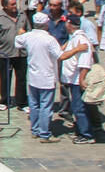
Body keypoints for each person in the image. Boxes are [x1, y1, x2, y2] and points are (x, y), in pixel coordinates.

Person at [16, 12, 63, 141]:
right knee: (46, 107)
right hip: (46, 77)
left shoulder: (29, 37)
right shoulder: (49, 40)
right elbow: (61, 56)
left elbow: (17, 42)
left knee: (34, 105)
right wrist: (75, 49)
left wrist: (22, 33)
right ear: (46, 25)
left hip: (33, 76)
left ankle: (35, 129)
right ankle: (44, 133)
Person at [58, 13, 95, 143]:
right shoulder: (73, 38)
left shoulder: (82, 40)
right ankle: (80, 131)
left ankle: (86, 135)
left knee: (79, 108)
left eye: (66, 23)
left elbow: (85, 62)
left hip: (77, 80)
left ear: (69, 24)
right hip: (72, 79)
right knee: (76, 107)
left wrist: (82, 79)